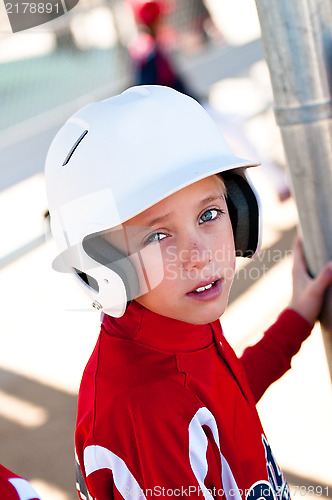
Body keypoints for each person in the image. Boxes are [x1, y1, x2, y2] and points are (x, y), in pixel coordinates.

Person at [44, 85, 332, 500]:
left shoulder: (171, 326)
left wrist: (296, 318)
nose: (197, 256)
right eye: (158, 234)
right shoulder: (146, 406)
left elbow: (224, 399)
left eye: (209, 213)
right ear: (103, 264)